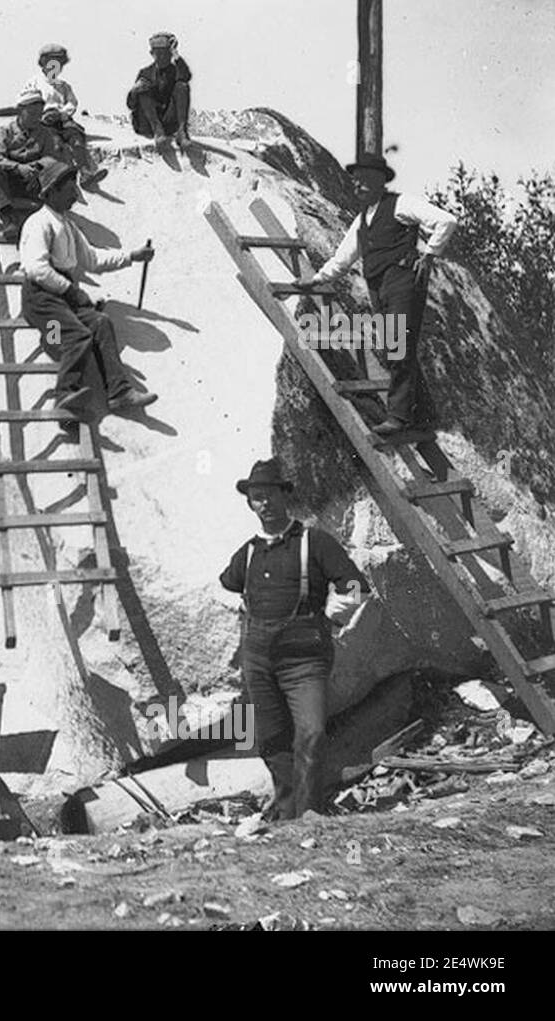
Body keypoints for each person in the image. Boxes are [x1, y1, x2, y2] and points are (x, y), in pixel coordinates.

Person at [219, 459, 370, 820]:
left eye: (270, 495)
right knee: (270, 737)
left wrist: (332, 618)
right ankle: (287, 814)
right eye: (256, 498)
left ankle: (309, 814)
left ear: (285, 496)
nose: (264, 504)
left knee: (312, 732)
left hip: (304, 661)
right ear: (250, 504)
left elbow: (355, 585)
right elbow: (226, 586)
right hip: (258, 659)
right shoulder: (250, 551)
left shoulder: (313, 542)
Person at [308, 154, 457, 435]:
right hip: (378, 286)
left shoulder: (400, 204)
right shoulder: (362, 220)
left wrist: (429, 254)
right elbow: (342, 259)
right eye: (356, 182)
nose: (358, 187)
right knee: (394, 348)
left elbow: (446, 221)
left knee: (398, 347)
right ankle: (423, 415)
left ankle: (399, 418)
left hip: (402, 282)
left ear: (378, 183)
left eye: (364, 182)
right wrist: (316, 280)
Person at [19, 159, 158, 425]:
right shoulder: (38, 223)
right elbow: (36, 269)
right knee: (74, 335)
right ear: (52, 191)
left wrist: (132, 256)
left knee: (101, 323)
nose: (74, 196)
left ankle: (119, 394)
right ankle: (64, 400)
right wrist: (72, 291)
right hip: (41, 305)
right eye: (69, 191)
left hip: (61, 302)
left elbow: (93, 259)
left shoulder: (68, 226)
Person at [0, 89, 68, 241]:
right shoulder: (5, 131)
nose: (36, 118)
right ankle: (10, 220)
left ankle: (47, 222)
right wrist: (18, 168)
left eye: (39, 114)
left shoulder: (45, 133)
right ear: (21, 111)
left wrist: (37, 166)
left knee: (59, 172)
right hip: (10, 180)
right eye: (32, 114)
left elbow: (52, 157)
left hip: (33, 182)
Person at [22, 43, 107, 188]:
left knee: (77, 140)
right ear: (43, 64)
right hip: (44, 121)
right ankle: (61, 178)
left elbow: (72, 102)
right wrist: (41, 115)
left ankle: (86, 174)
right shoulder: (33, 83)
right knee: (55, 144)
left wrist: (62, 113)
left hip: (62, 118)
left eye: (58, 64)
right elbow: (27, 102)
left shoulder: (64, 86)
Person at [126, 32, 192, 149]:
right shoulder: (145, 73)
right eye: (158, 54)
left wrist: (176, 55)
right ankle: (158, 131)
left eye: (165, 54)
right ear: (152, 54)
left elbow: (186, 77)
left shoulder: (175, 71)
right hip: (148, 124)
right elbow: (131, 105)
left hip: (169, 122)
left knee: (182, 86)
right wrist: (134, 91)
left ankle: (182, 132)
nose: (162, 58)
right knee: (142, 88)